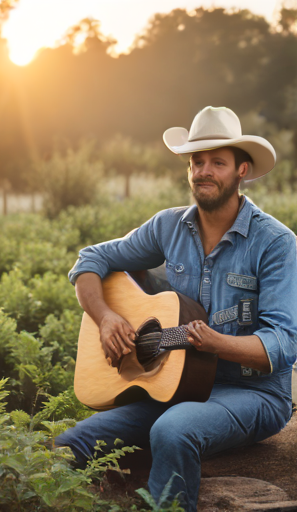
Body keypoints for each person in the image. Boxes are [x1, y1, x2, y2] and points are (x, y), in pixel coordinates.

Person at [55, 106, 297, 512]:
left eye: (217, 162)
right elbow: (89, 261)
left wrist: (216, 343)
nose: (204, 171)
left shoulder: (276, 243)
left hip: (253, 393)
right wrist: (107, 318)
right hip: (178, 386)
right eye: (196, 161)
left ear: (241, 170)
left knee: (173, 430)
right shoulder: (168, 227)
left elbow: (283, 344)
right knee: (70, 443)